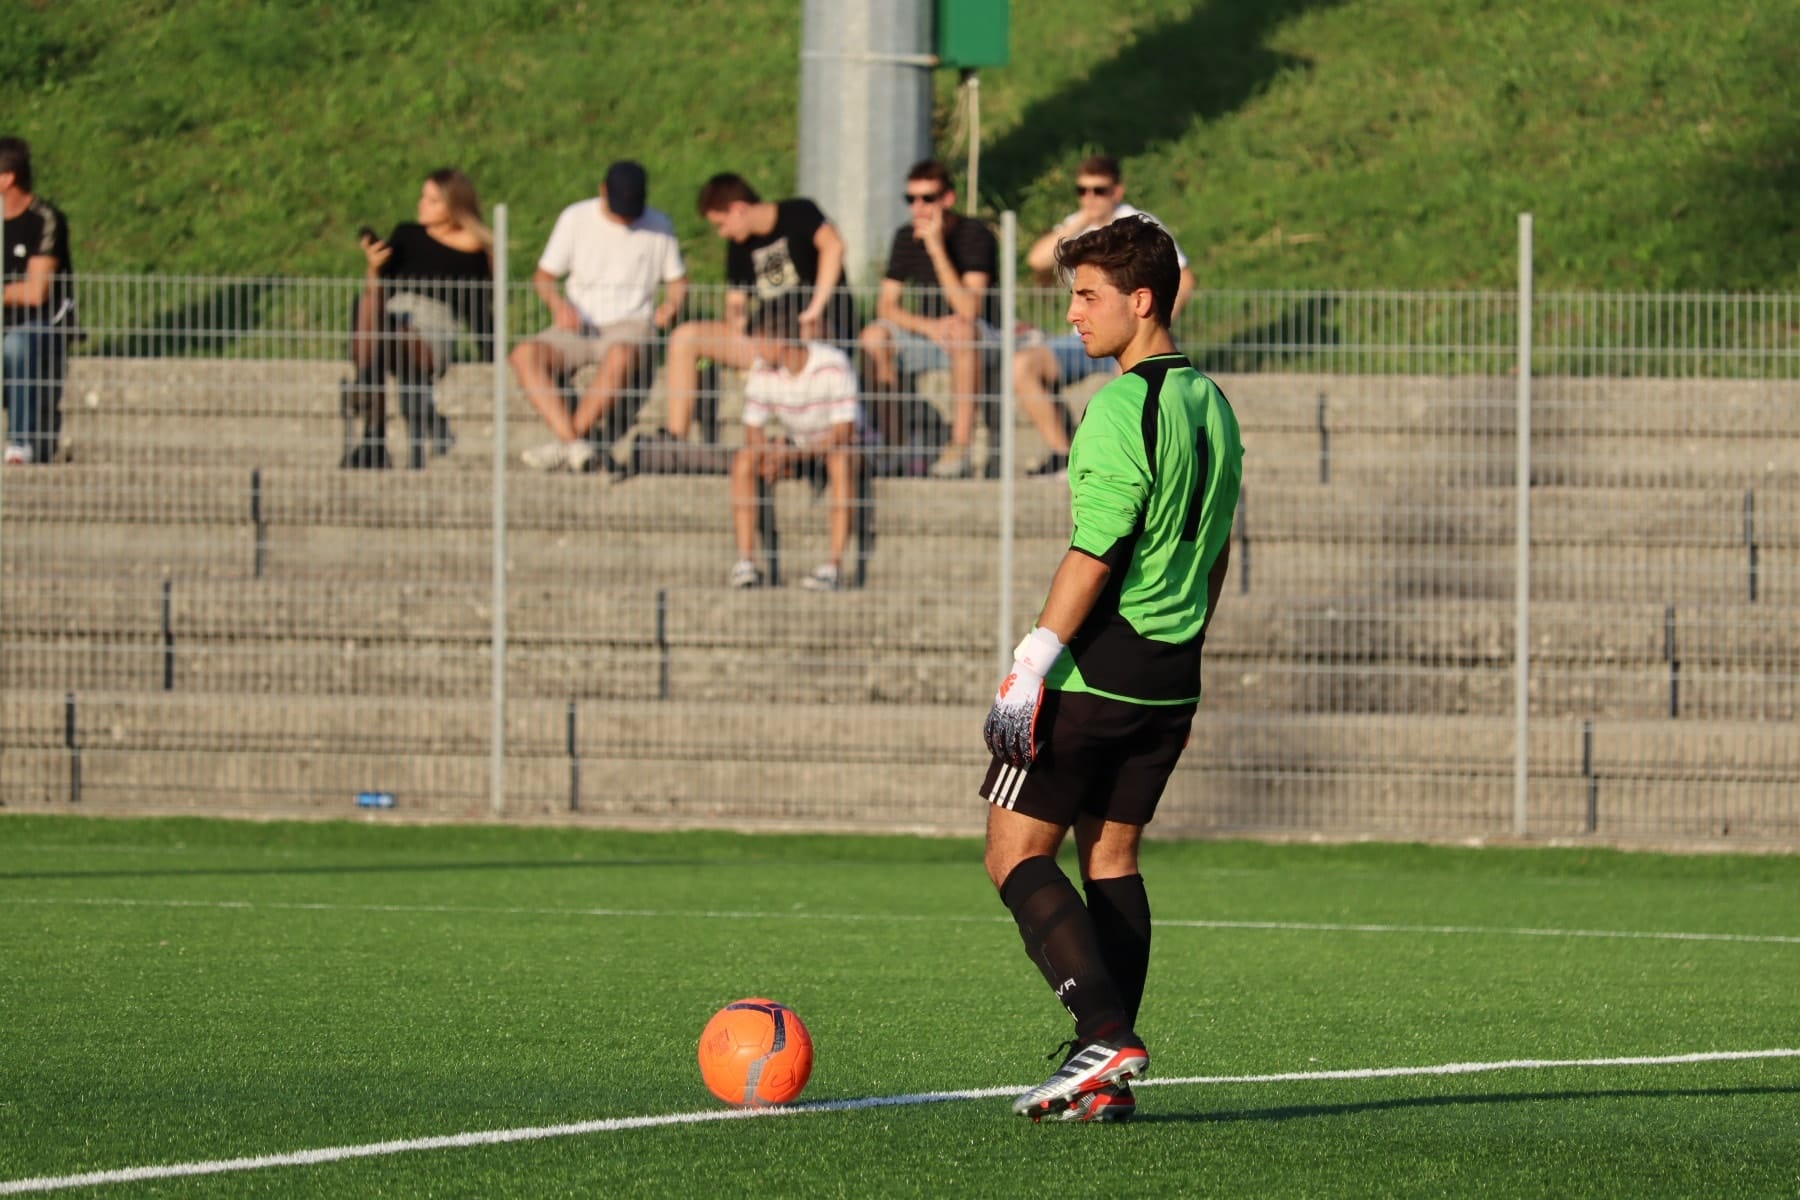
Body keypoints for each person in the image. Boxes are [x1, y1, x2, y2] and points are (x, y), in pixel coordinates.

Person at [978, 215, 1242, 1123]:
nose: (1074, 314)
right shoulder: (1214, 401)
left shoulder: (1122, 406)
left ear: (1143, 300)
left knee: (1014, 852)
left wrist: (1031, 663)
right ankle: (1109, 1077)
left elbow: (1095, 548)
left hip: (1094, 673)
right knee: (1112, 855)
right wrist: (1184, 645)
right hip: (1172, 674)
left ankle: (1102, 1033)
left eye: (1089, 296)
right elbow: (1217, 548)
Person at [1015, 155, 1196, 477]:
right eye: (1082, 191)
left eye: (1098, 191)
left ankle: (1124, 461)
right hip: (1082, 341)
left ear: (1117, 191)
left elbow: (1185, 277)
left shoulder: (1138, 225)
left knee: (1130, 378)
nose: (1090, 198)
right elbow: (1036, 260)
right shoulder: (1077, 224)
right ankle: (1062, 455)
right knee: (1021, 365)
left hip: (1129, 335)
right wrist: (1082, 220)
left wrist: (1152, 325)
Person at [651, 173, 857, 449]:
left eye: (722, 224)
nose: (722, 233)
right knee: (684, 337)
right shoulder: (739, 246)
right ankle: (675, 439)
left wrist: (815, 308)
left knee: (807, 333)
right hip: (768, 341)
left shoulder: (800, 212)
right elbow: (735, 302)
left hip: (817, 334)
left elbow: (834, 246)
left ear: (738, 209)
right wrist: (736, 320)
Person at [513, 160, 687, 472]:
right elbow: (544, 277)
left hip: (630, 325)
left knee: (621, 355)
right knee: (524, 354)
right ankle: (573, 443)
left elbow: (677, 281)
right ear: (602, 191)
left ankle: (567, 443)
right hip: (578, 324)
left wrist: (671, 305)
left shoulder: (659, 224)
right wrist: (558, 305)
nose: (625, 218)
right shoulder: (575, 218)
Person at [343, 167, 493, 470]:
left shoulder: (475, 253)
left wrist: (492, 358)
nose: (421, 204)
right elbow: (378, 290)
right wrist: (373, 267)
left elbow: (478, 310)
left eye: (432, 200)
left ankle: (371, 427)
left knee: (379, 332)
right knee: (369, 304)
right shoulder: (407, 235)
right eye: (423, 197)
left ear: (454, 206)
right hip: (389, 319)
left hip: (429, 333)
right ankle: (373, 432)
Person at [858, 160, 998, 479]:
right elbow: (885, 306)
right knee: (873, 337)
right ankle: (896, 445)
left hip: (977, 337)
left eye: (927, 199)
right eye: (911, 199)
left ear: (948, 199)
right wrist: (929, 327)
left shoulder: (975, 234)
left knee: (962, 330)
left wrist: (936, 249)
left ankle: (959, 446)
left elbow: (969, 309)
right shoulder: (905, 236)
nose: (918, 207)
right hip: (928, 336)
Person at [727, 298, 862, 592]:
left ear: (777, 341)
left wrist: (794, 454)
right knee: (744, 459)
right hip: (797, 447)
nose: (755, 350)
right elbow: (752, 430)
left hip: (839, 447)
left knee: (840, 459)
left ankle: (834, 566)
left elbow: (843, 433)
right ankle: (746, 562)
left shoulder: (833, 363)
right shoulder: (762, 369)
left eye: (759, 342)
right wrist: (770, 453)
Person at [1, 137, 76, 466]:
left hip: (43, 327)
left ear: (7, 178)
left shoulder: (45, 219)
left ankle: (21, 444)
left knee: (16, 345)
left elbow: (35, 292)